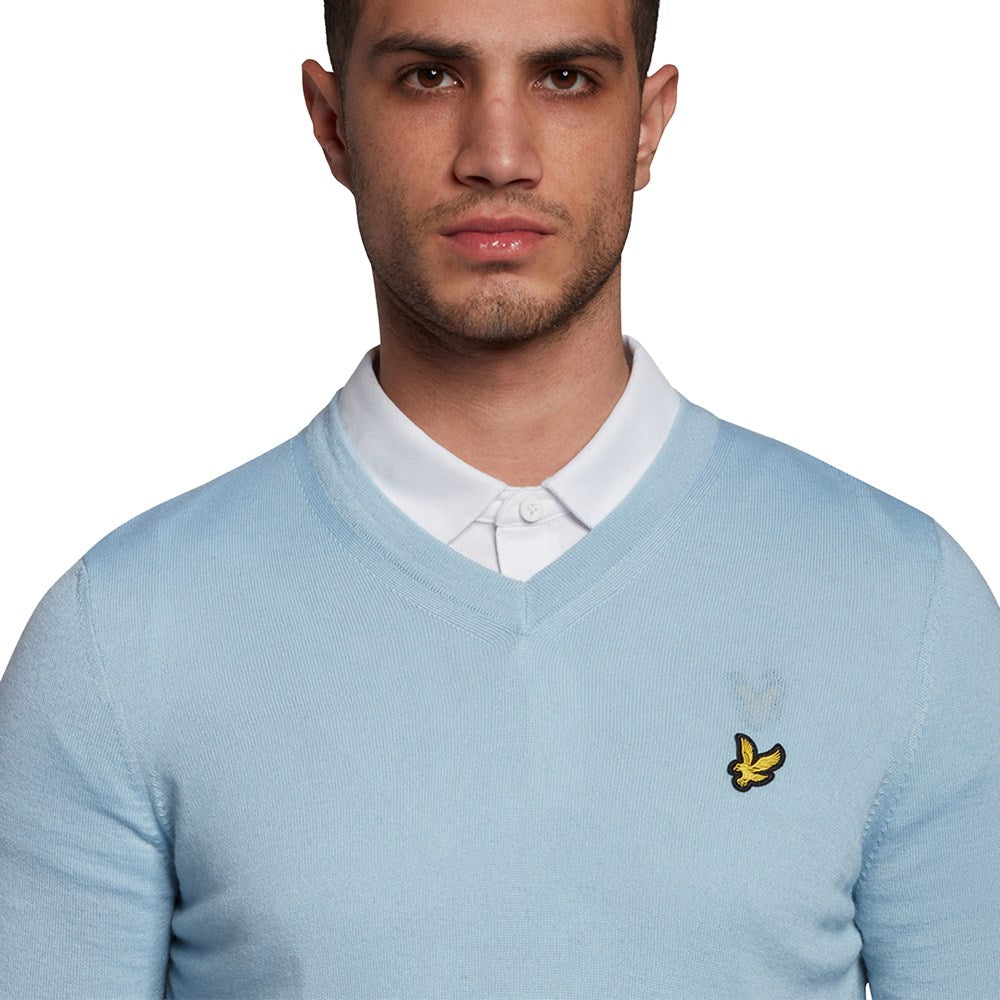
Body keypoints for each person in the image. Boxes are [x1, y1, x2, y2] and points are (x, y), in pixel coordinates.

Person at [1, 0, 997, 997]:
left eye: (565, 78)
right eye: (429, 77)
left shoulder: (904, 603)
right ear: (333, 122)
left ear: (646, 125)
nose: (498, 156)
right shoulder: (121, 637)